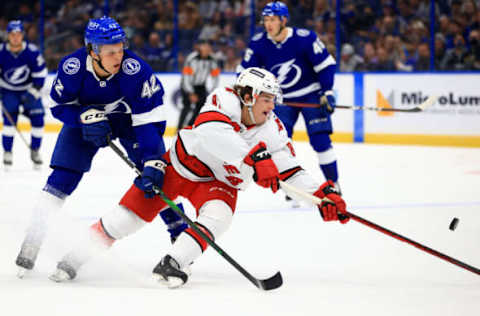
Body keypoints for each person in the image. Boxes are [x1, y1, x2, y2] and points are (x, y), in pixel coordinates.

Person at [48, 67, 348, 288]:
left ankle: (174, 262)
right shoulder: (223, 98)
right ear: (246, 96)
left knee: (219, 216)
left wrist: (322, 195)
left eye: (273, 100)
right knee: (126, 219)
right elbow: (212, 132)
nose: (272, 107)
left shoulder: (273, 129)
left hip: (219, 183)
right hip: (178, 168)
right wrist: (256, 158)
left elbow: (290, 170)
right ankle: (75, 256)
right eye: (266, 99)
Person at [15, 16, 187, 278]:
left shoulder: (136, 70)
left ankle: (180, 232)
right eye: (110, 52)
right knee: (62, 177)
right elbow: (60, 106)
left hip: (130, 123)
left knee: (155, 175)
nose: (118, 56)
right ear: (92, 51)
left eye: (120, 48)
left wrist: (152, 158)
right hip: (85, 120)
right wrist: (82, 117)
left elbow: (149, 117)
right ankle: (33, 236)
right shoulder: (72, 68)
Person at [237, 2, 341, 198]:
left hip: (311, 95)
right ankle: (293, 186)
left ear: (284, 20)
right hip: (280, 100)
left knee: (320, 141)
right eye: (266, 20)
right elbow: (244, 73)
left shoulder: (305, 39)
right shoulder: (259, 43)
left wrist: (327, 92)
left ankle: (334, 184)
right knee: (279, 143)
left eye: (273, 20)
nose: (268, 24)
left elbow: (326, 65)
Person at [0, 20, 47, 170]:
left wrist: (33, 92)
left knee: (39, 119)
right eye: (12, 34)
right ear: (8, 35)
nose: (15, 37)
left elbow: (40, 74)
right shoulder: (1, 52)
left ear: (22, 35)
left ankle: (35, 150)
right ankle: (7, 152)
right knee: (9, 122)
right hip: (8, 91)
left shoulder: (32, 52)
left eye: (18, 34)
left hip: (29, 89)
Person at [177, 39, 220, 131]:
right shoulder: (191, 58)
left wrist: (213, 90)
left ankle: (190, 127)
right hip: (187, 85)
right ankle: (179, 129)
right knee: (187, 107)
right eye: (205, 46)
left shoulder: (212, 60)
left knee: (201, 108)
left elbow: (215, 77)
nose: (207, 48)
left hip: (200, 86)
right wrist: (190, 92)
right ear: (200, 47)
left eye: (209, 46)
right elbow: (186, 77)